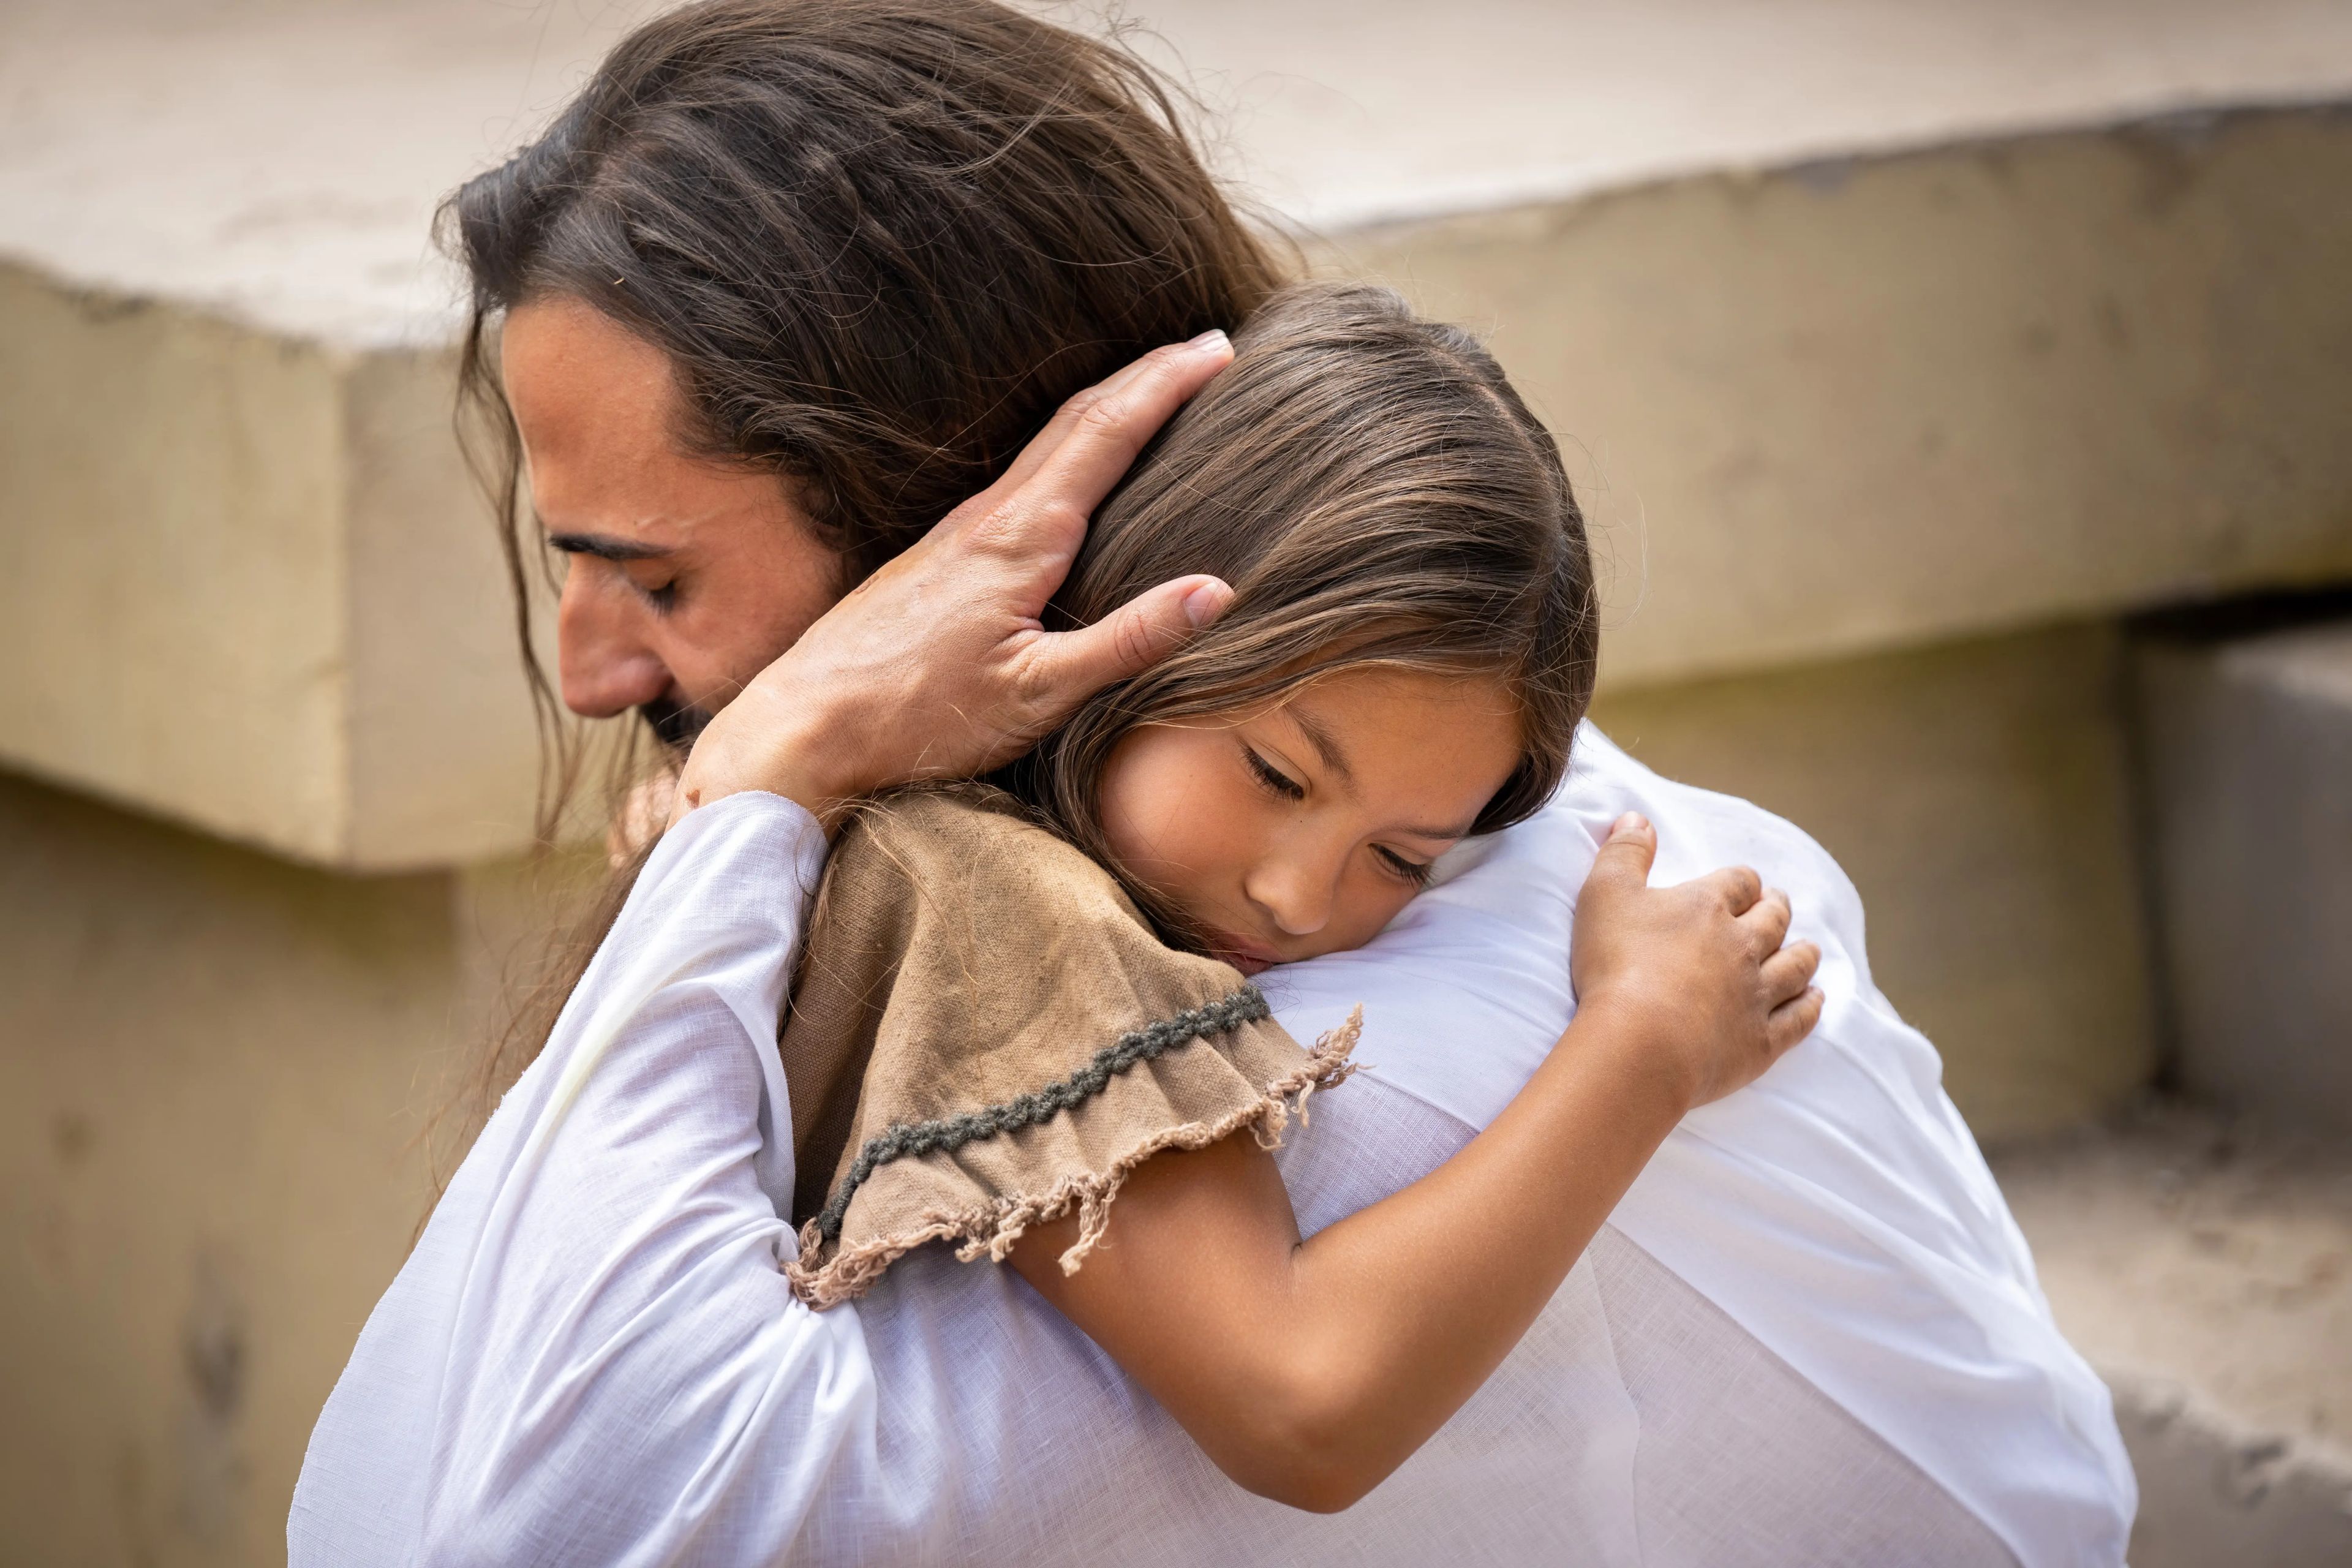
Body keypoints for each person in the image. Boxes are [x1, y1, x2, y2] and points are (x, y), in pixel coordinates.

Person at [292, 2, 2135, 1562]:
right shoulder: (949, 873)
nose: (595, 674)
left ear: (977, 508)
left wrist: (777, 772)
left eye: (663, 576)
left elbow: (523, 1518)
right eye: (574, 566)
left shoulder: (1155, 966)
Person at [763, 284, 1826, 1513]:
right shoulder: (999, 901)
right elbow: (1303, 1400)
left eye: (1400, 856)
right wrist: (1646, 1040)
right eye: (1276, 772)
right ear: (1128, 610)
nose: (1296, 895)